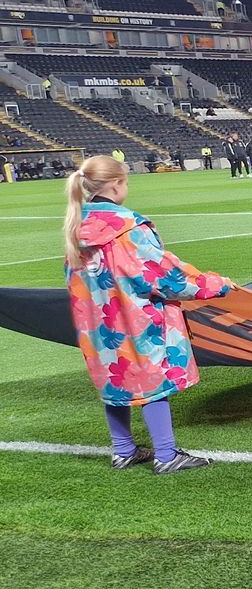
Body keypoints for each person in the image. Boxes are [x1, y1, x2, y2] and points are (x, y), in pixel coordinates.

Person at [62, 154, 232, 474]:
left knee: (116, 375)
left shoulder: (77, 226)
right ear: (117, 184)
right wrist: (214, 284)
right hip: (136, 317)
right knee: (151, 374)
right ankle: (166, 455)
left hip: (96, 320)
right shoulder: (128, 228)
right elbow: (164, 276)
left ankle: (123, 449)